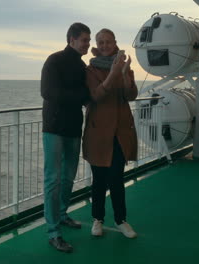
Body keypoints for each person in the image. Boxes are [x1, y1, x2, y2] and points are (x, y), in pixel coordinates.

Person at [82, 28, 138, 238]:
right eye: (101, 42)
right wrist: (113, 74)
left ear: (115, 43)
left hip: (120, 133)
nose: (105, 45)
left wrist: (123, 75)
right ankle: (97, 219)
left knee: (116, 179)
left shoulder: (125, 67)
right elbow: (96, 96)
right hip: (98, 133)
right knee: (99, 180)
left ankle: (121, 220)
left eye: (108, 42)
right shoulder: (90, 70)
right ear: (97, 46)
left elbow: (130, 94)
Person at [40, 22, 91, 253]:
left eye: (89, 41)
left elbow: (85, 95)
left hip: (73, 128)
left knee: (68, 176)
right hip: (54, 128)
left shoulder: (82, 67)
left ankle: (61, 215)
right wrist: (79, 96)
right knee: (53, 179)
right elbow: (49, 92)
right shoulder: (54, 60)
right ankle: (53, 232)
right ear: (72, 39)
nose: (87, 44)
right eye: (84, 40)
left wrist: (78, 96)